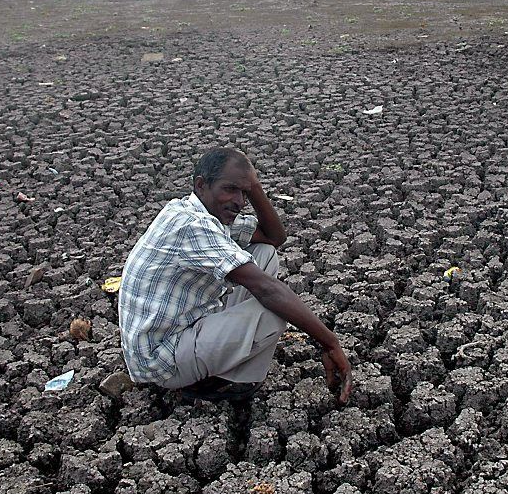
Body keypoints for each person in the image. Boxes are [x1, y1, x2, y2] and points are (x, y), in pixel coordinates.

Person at [118, 147, 352, 403]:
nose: (239, 201)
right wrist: (329, 342)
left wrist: (254, 187)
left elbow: (274, 238)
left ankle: (217, 366)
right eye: (230, 189)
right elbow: (268, 290)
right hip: (161, 361)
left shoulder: (202, 213)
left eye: (244, 193)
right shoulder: (193, 225)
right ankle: (215, 384)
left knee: (263, 253)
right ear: (201, 186)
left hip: (177, 332)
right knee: (272, 311)